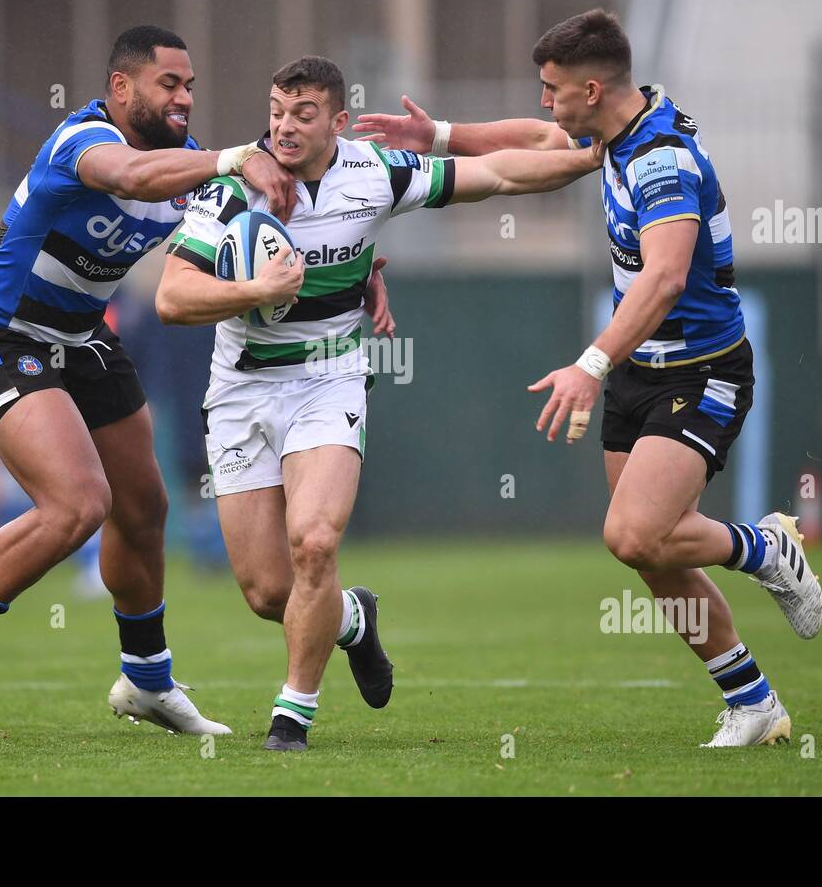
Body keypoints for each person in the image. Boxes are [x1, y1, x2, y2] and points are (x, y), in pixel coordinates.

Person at [355, 9, 822, 747]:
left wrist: (589, 361)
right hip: (640, 370)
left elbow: (666, 278)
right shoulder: (615, 129)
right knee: (650, 549)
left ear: (594, 89)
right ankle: (753, 700)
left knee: (635, 533)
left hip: (701, 369)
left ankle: (765, 550)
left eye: (554, 88)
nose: (547, 101)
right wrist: (440, 138)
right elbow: (537, 140)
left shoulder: (658, 158)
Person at [156, 55, 604, 751]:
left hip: (329, 380)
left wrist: (589, 161)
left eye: (303, 115)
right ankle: (354, 621)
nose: (284, 127)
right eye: (276, 111)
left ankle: (292, 717)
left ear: (338, 121)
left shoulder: (375, 173)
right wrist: (254, 292)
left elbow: (500, 175)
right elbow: (171, 297)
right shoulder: (232, 191)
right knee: (269, 592)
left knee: (315, 540)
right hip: (242, 388)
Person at [0, 25, 313, 746]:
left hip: (83, 338)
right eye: (169, 84)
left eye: (190, 86)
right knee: (78, 503)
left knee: (144, 505)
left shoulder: (190, 166)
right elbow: (129, 178)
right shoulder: (82, 141)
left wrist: (355, 267)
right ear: (122, 89)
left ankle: (147, 679)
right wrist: (233, 159)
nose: (185, 97)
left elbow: (242, 225)